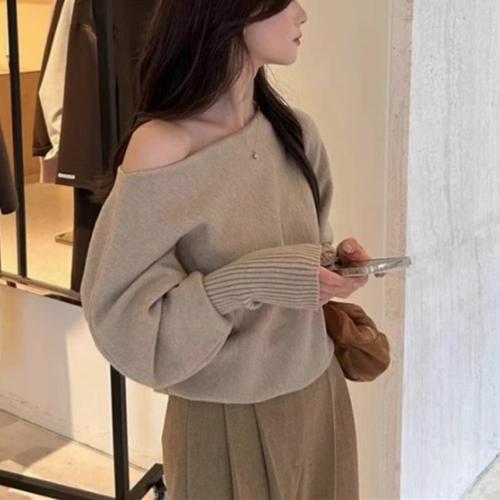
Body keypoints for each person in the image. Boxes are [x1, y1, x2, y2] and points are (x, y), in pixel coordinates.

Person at [80, 0, 373, 498]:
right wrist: (246, 281)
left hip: (319, 396)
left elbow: (309, 250)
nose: (301, 14)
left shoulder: (297, 133)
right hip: (220, 418)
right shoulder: (163, 147)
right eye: (284, 1)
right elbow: (123, 320)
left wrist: (333, 268)